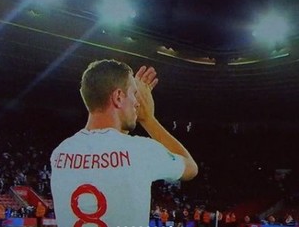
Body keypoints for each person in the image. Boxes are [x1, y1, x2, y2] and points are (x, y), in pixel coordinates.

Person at [50, 59, 198, 227]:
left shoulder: (60, 154)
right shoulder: (141, 151)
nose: (137, 102)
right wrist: (148, 119)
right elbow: (191, 168)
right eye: (134, 94)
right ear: (118, 97)